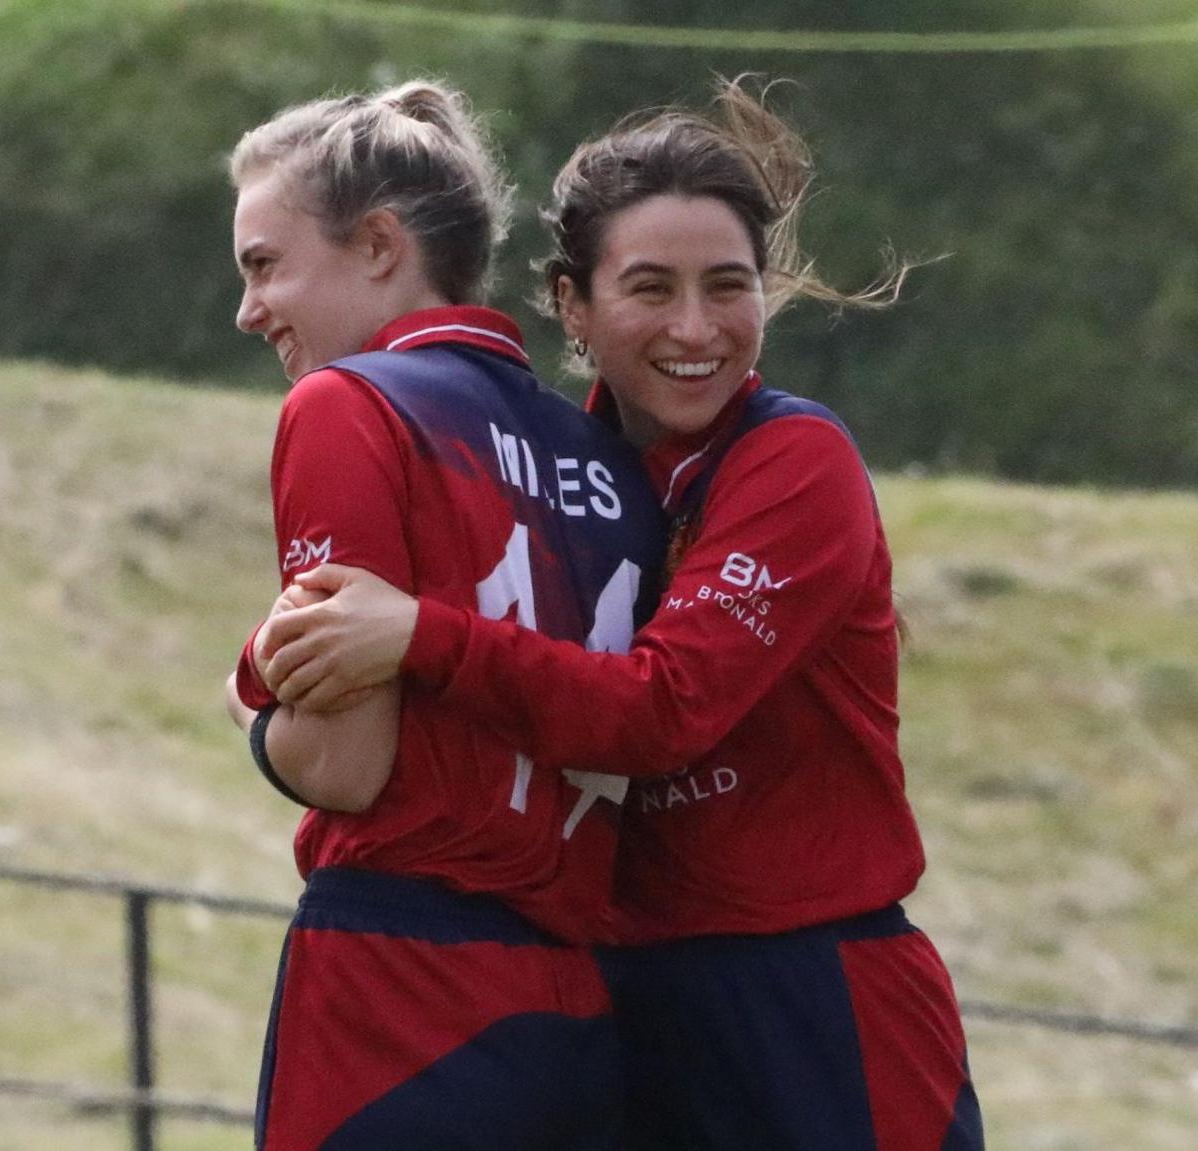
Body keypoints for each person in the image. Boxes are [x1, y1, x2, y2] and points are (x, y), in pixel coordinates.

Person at [255, 78, 984, 1150]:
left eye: (726, 286)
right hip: (622, 1002)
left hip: (811, 994)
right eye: (650, 287)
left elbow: (657, 713)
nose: (695, 328)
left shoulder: (793, 456)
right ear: (570, 306)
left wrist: (416, 632)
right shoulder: (565, 469)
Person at [221, 81, 668, 1150]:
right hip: (578, 1006)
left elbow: (346, 763)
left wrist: (247, 714)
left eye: (263, 264)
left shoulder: (347, 403)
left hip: (400, 987)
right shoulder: (608, 456)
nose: (247, 309)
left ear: (378, 243)